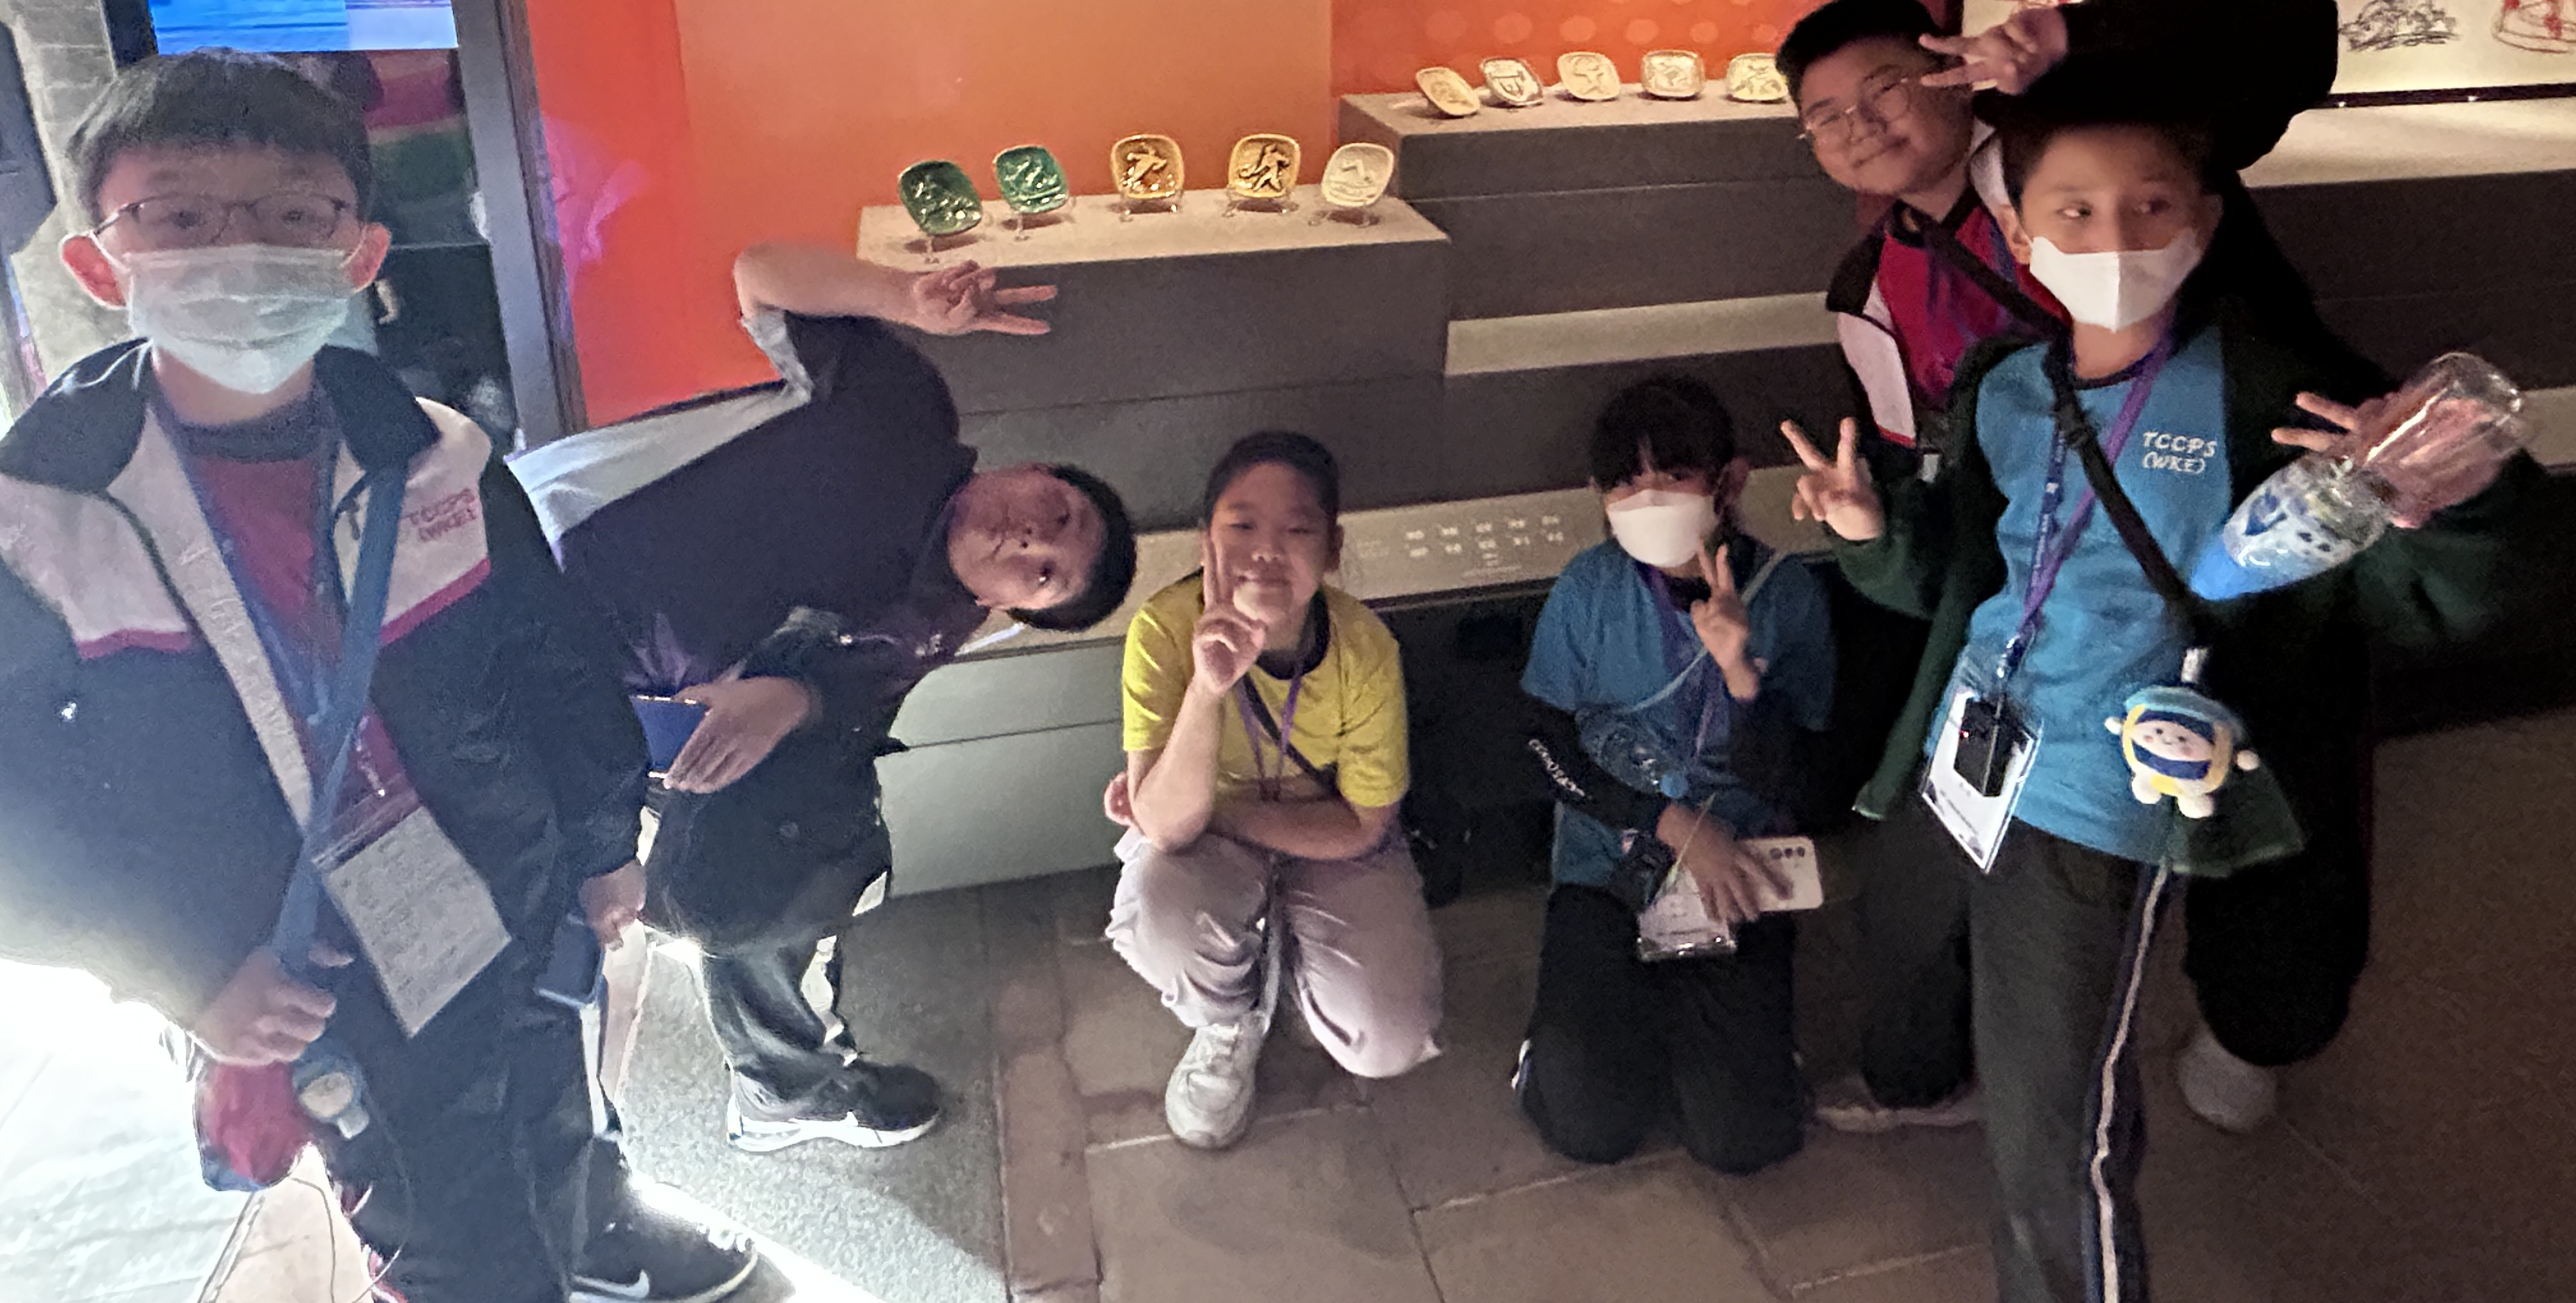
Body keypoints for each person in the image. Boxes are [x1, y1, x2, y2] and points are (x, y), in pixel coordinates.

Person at [1782, 61, 2536, 1303]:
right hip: (1971, 738)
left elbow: (2434, 596)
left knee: (2053, 1127)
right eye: (2074, 209)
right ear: (2020, 228)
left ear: (2205, 219)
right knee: (1901, 923)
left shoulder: (2262, 387)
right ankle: (1924, 1077)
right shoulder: (2008, 386)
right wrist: (1869, 533)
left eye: (2150, 206)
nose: (2114, 237)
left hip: (2108, 779)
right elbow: (1959, 572)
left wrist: (2448, 508)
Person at [0, 50, 744, 1303]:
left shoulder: (437, 455)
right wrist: (178, 967)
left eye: (294, 215)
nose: (241, 251)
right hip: (293, 960)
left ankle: (595, 1229)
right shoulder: (41, 518)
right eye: (179, 217)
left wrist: (601, 840)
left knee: (554, 1087)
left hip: (501, 878)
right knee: (446, 1217)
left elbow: (550, 657)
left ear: (358, 255)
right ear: (96, 260)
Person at [1776, 0, 2373, 1136]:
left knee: (2273, 799)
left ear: (1952, 71)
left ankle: (2254, 1026)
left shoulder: (2088, 142)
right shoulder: (1870, 283)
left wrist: (2074, 38)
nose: (1860, 126)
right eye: (1825, 116)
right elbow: (1927, 485)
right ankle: (1945, 1057)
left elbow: (2289, 29)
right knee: (1954, 850)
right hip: (2037, 613)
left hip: (2229, 557)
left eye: (1884, 87)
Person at [513, 241, 1138, 1155]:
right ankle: (771, 1082)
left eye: (1045, 574)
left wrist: (787, 700)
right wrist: (906, 297)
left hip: (588, 692)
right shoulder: (906, 413)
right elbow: (760, 273)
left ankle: (748, 1093)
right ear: (1036, 466)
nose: (1031, 539)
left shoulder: (931, 626)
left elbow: (842, 709)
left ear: (1014, 609)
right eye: (1060, 512)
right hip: (542, 536)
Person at [1512, 377, 1839, 1175]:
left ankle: (1713, 1031)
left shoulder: (1787, 596)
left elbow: (1805, 774)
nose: (1649, 498)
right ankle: (1570, 1039)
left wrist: (1741, 676)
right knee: (1588, 1124)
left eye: (1675, 475)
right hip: (1611, 864)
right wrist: (1669, 821)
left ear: (1729, 483)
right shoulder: (1589, 588)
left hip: (1736, 875)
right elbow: (1542, 742)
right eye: (1626, 481)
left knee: (1745, 1138)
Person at [1103, 431, 1442, 1150]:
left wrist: (1218, 813)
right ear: (1206, 542)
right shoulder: (1163, 631)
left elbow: (1363, 824)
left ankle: (1290, 967)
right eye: (1242, 526)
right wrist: (1208, 687)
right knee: (1162, 915)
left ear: (1333, 548)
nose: (1267, 550)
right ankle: (1229, 1022)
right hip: (1208, 839)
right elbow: (1166, 830)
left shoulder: (1365, 648)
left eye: (1298, 530)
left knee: (1385, 1039)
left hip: (1310, 831)